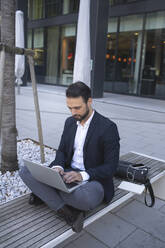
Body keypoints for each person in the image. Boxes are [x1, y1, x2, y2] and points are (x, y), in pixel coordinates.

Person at [19, 81, 120, 233]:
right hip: (66, 173)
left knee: (81, 197)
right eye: (70, 108)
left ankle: (47, 195)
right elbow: (61, 152)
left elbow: (111, 167)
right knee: (25, 171)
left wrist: (82, 175)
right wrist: (58, 167)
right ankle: (67, 213)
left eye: (77, 107)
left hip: (92, 181)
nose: (73, 113)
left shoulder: (108, 128)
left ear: (89, 101)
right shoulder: (70, 122)